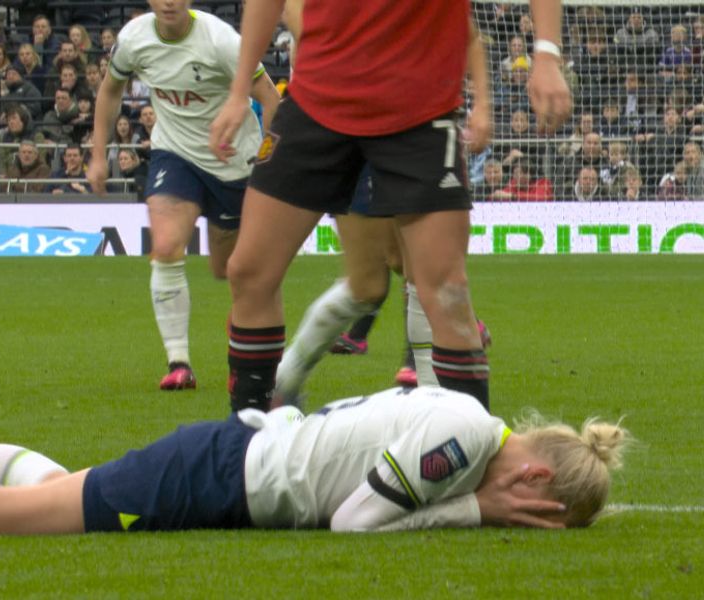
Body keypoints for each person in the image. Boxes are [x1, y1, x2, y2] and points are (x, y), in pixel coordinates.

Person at [209, 0, 571, 412]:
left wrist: (546, 52)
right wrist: (239, 91)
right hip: (318, 102)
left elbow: (469, 34)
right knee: (250, 271)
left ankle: (466, 451)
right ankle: (250, 443)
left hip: (419, 111)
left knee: (445, 290)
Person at [0, 385, 630, 535]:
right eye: (530, 514)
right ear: (533, 477)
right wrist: (476, 509)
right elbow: (353, 523)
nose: (515, 522)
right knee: (0, 521)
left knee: (59, 489)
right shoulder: (466, 444)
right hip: (215, 477)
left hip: (231, 457)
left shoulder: (467, 412)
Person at [87, 0, 280, 392]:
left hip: (234, 165)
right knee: (167, 245)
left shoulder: (220, 39)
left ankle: (241, 341)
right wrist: (97, 156)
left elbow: (272, 98)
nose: (170, 1)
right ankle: (179, 362)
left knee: (228, 271)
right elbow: (110, 91)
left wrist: (267, 159)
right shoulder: (133, 40)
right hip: (174, 154)